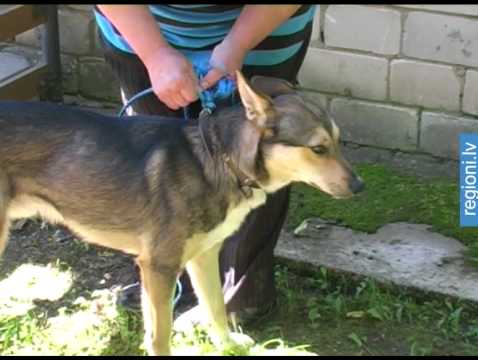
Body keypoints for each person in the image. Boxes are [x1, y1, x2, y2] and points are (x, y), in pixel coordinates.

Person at [94, 4, 315, 321]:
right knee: (158, 162)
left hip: (264, 26)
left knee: (258, 159)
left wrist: (236, 46)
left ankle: (242, 295)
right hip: (140, 23)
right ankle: (168, 279)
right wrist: (155, 54)